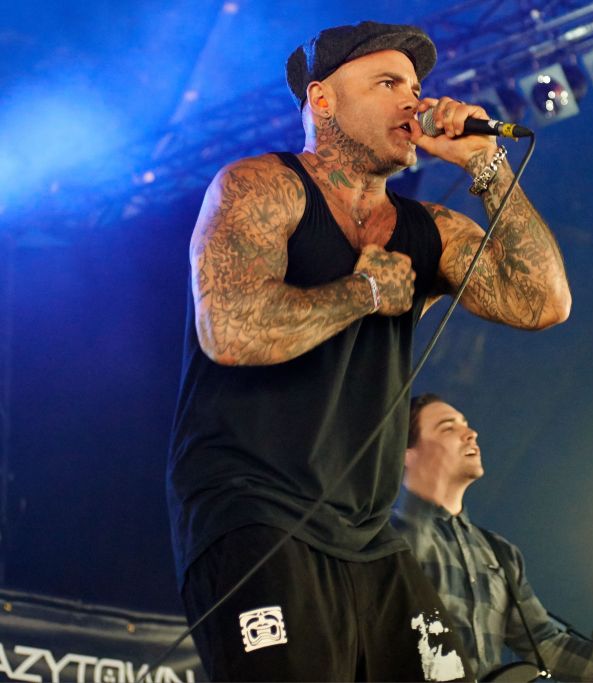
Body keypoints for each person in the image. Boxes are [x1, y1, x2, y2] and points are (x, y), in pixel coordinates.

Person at [165, 20, 571, 682]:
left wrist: (487, 167)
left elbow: (542, 303)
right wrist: (360, 293)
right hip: (253, 511)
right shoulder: (260, 187)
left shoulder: (428, 229)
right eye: (387, 84)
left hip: (366, 530)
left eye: (416, 87)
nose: (412, 102)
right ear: (322, 100)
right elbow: (231, 330)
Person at [392, 394, 593, 681]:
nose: (471, 433)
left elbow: (549, 647)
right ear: (406, 453)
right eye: (449, 428)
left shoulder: (499, 553)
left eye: (467, 424)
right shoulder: (382, 537)